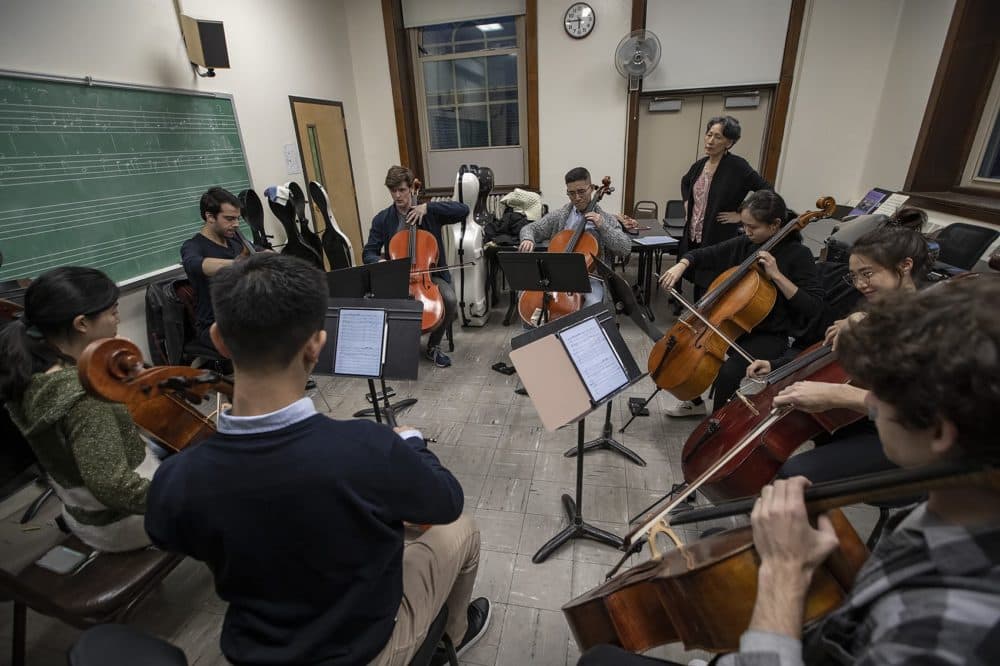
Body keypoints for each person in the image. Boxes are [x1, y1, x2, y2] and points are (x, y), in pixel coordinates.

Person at [579, 276, 1000, 666]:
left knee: (598, 659)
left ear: (940, 429)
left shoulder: (947, 625)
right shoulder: (961, 500)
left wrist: (783, 575)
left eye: (882, 387)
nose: (866, 398)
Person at [144, 253, 489, 666]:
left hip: (257, 652)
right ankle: (454, 633)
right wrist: (412, 443)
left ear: (218, 339)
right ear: (317, 342)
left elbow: (166, 531)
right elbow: (447, 501)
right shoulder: (368, 448)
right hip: (361, 652)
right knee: (462, 530)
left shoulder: (179, 478)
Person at [746, 227, 931, 482]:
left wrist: (839, 394)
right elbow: (829, 359)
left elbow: (922, 411)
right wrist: (777, 364)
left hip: (909, 440)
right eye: (855, 276)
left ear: (906, 265)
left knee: (793, 477)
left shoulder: (930, 325)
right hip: (859, 420)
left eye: (868, 274)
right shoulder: (876, 310)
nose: (861, 285)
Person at [0, 267, 157, 552]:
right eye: (112, 311)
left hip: (82, 512)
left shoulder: (30, 370)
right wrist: (184, 493)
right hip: (122, 525)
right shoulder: (85, 397)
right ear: (82, 324)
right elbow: (115, 488)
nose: (117, 318)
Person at [658, 190, 822, 416]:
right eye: (744, 225)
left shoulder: (799, 255)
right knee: (679, 348)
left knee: (729, 372)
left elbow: (812, 307)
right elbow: (707, 254)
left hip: (769, 334)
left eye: (753, 227)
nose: (746, 232)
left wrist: (776, 275)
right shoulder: (746, 244)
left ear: (775, 225)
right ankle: (694, 402)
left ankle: (717, 423)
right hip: (733, 324)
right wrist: (683, 264)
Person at [363, 166, 469, 368]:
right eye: (393, 191)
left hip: (429, 276)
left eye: (402, 190)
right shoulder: (382, 219)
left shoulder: (428, 213)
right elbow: (368, 252)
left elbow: (463, 211)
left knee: (449, 299)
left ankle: (433, 346)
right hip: (397, 277)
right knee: (376, 301)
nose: (397, 195)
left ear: (412, 188)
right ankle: (396, 345)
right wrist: (380, 262)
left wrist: (429, 207)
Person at [678, 116, 771, 299]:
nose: (710, 141)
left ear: (729, 142)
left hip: (717, 236)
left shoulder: (738, 166)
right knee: (698, 283)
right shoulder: (700, 165)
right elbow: (685, 182)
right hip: (694, 235)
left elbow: (766, 190)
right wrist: (686, 201)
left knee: (710, 288)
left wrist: (741, 215)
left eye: (718, 137)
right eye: (709, 134)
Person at [517, 166, 632, 310]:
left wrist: (603, 227)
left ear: (591, 188)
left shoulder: (606, 220)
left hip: (591, 281)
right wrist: (528, 238)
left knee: (591, 305)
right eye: (571, 193)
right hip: (556, 277)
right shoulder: (560, 216)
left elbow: (625, 248)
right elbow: (530, 228)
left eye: (581, 192)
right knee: (526, 297)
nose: (577, 198)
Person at [180, 186, 251, 351]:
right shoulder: (193, 246)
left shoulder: (235, 242)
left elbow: (262, 254)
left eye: (237, 219)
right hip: (215, 326)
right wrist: (239, 263)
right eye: (229, 219)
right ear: (210, 217)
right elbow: (194, 264)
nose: (236, 224)